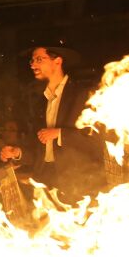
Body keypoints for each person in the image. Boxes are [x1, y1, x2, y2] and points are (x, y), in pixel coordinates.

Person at [27, 44, 102, 203]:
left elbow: (96, 139)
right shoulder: (41, 101)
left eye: (39, 59)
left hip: (78, 184)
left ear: (57, 61)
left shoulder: (82, 94)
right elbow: (39, 146)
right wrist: (18, 153)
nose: (33, 65)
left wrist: (60, 133)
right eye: (32, 61)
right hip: (47, 183)